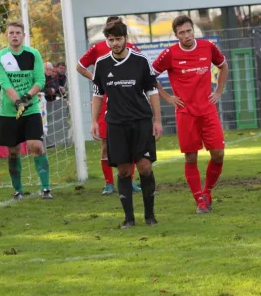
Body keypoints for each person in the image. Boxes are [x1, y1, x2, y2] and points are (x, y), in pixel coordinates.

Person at [152, 15, 228, 214]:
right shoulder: (169, 53)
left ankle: (208, 191)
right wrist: (168, 98)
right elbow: (149, 76)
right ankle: (199, 201)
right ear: (176, 35)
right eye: (181, 33)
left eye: (188, 31)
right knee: (191, 158)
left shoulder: (208, 47)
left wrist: (218, 91)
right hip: (185, 113)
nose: (186, 36)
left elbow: (223, 66)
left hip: (208, 110)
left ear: (193, 30)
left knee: (218, 154)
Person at [90, 19, 162, 228]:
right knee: (123, 171)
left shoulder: (140, 61)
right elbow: (97, 94)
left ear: (126, 39)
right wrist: (94, 121)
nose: (114, 43)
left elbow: (153, 92)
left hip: (140, 121)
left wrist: (157, 121)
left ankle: (150, 216)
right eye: (110, 39)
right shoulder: (102, 65)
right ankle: (129, 219)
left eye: (118, 39)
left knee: (145, 167)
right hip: (115, 124)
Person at [77, 16, 142, 195]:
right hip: (106, 102)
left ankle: (129, 181)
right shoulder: (97, 48)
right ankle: (108, 183)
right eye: (110, 34)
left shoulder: (132, 49)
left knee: (131, 143)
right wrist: (97, 80)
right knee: (106, 144)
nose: (114, 39)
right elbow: (80, 66)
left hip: (129, 104)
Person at [0, 20, 52, 200]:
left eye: (18, 33)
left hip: (31, 108)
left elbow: (40, 80)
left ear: (24, 35)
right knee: (13, 151)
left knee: (36, 146)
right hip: (9, 111)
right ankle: (18, 190)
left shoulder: (33, 54)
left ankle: (46, 188)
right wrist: (17, 101)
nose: (15, 36)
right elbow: (4, 82)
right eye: (11, 33)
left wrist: (26, 98)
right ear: (6, 35)